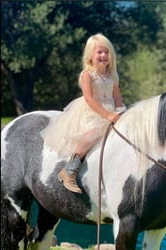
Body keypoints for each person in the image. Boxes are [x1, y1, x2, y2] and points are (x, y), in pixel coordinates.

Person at [41, 33, 126, 193]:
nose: (103, 55)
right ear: (90, 56)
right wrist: (107, 115)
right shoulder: (88, 75)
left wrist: (120, 112)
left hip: (113, 110)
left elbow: (117, 96)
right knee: (92, 135)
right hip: (94, 111)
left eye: (106, 52)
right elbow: (89, 98)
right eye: (99, 52)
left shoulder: (112, 75)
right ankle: (69, 171)